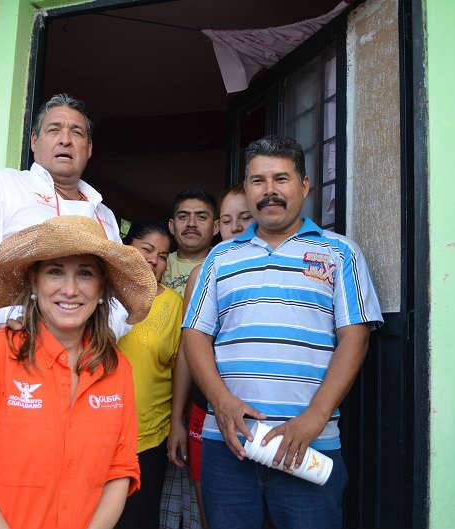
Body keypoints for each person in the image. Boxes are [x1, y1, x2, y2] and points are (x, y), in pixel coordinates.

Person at [183, 136, 383, 529]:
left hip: (309, 445)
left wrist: (313, 418)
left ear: (304, 186)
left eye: (281, 179)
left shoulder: (339, 253)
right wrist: (220, 401)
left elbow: (355, 338)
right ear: (246, 188)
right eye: (258, 181)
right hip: (229, 447)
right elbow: (195, 335)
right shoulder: (219, 258)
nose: (269, 191)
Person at [0, 215, 157, 529]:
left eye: (85, 274)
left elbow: (120, 471)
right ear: (34, 282)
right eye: (55, 272)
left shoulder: (116, 370)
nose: (70, 289)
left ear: (102, 287)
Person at [0, 93, 131, 343]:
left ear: (89, 148)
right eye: (54, 130)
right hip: (13, 352)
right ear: (34, 142)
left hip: (84, 362)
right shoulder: (5, 186)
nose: (65, 140)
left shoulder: (104, 214)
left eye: (77, 133)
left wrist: (95, 341)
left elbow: (120, 294)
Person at [169, 185, 254, 529]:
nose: (236, 227)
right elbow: (190, 352)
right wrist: (177, 419)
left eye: (245, 219)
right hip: (207, 414)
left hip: (272, 418)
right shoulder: (203, 274)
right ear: (220, 226)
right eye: (228, 220)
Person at [115, 222, 184, 529]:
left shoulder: (173, 305)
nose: (154, 260)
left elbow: (179, 367)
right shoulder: (102, 294)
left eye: (164, 255)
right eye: (147, 250)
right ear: (127, 247)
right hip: (96, 434)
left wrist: (177, 422)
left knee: (138, 519)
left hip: (148, 437)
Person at [162, 189, 219, 295]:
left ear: (215, 227)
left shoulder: (223, 265)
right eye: (183, 217)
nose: (191, 223)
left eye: (201, 217)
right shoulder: (160, 263)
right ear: (171, 226)